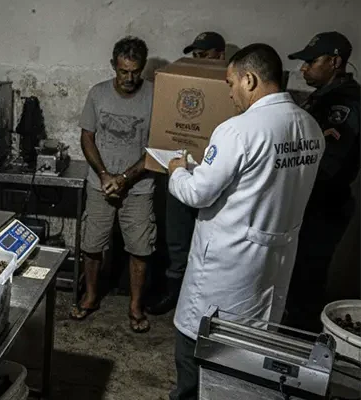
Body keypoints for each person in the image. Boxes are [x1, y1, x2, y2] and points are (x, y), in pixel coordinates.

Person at [166, 44, 324, 400]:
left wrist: (177, 171)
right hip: (272, 268)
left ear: (249, 79)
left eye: (230, 83)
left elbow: (197, 193)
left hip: (226, 271)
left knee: (196, 351)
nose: (230, 93)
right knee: (247, 363)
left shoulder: (238, 130)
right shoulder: (310, 127)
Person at [71, 36, 156, 334]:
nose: (129, 78)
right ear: (113, 66)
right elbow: (87, 137)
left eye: (135, 71)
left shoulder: (155, 96)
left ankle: (135, 306)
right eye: (123, 71)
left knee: (140, 248)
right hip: (100, 185)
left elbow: (158, 147)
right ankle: (91, 296)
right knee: (92, 245)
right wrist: (105, 175)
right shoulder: (98, 94)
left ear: (143, 67)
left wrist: (125, 178)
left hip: (139, 187)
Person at [284, 32, 361, 333]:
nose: (304, 68)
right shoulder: (322, 97)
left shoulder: (346, 104)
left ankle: (299, 339)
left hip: (323, 205)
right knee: (296, 274)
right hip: (308, 201)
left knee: (307, 275)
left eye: (311, 61)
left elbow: (330, 165)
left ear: (335, 62)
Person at [148, 31, 227, 316]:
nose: (198, 60)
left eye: (204, 55)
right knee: (177, 237)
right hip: (181, 174)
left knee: (209, 243)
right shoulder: (181, 80)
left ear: (220, 55)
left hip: (214, 179)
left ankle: (202, 301)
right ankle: (174, 291)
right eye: (195, 55)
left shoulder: (231, 88)